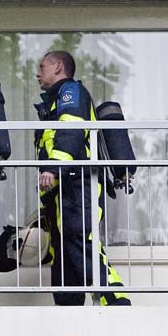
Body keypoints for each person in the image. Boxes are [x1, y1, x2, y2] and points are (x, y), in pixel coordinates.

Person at [34, 50, 130, 306]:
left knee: (81, 244)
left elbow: (70, 132)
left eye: (42, 67)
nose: (37, 73)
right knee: (64, 254)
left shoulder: (70, 92)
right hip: (62, 193)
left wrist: (53, 169)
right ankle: (68, 314)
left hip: (77, 188)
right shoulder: (56, 100)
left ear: (58, 67)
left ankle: (117, 302)